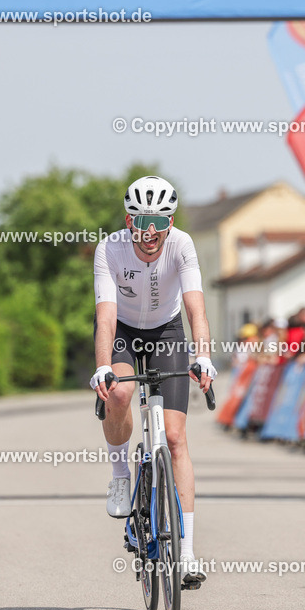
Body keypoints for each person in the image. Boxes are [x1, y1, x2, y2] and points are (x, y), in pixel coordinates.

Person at [91, 175, 215, 585]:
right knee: (121, 393)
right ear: (129, 220)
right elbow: (106, 316)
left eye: (159, 223)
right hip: (124, 332)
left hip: (167, 332)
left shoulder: (182, 245)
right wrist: (104, 365)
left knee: (176, 439)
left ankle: (187, 553)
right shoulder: (109, 249)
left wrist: (203, 356)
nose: (150, 233)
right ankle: (120, 477)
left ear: (171, 222)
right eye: (143, 221)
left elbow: (196, 306)